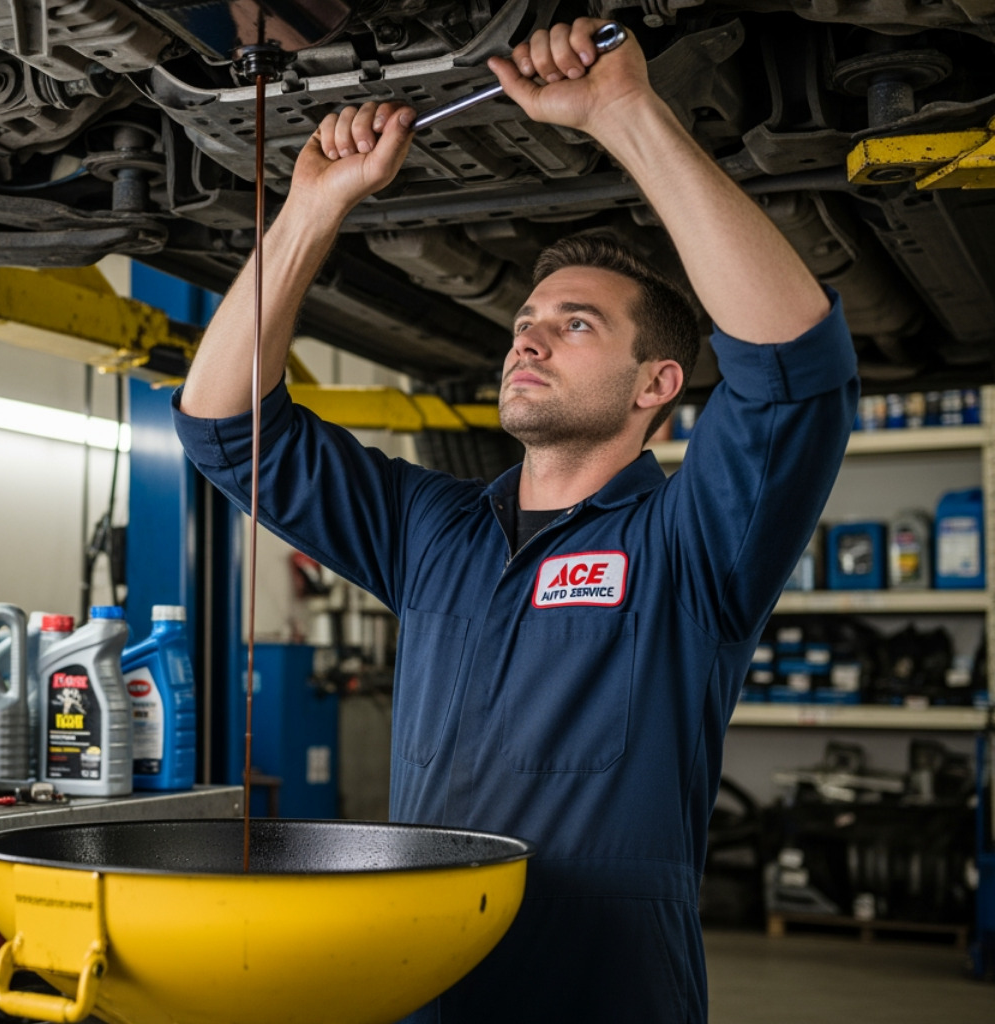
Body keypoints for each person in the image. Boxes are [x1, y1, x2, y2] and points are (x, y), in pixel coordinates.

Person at [174, 17, 859, 1023]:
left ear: (656, 384)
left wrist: (627, 114)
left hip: (602, 991)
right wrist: (314, 206)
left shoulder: (687, 546)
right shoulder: (428, 530)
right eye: (524, 324)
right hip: (425, 985)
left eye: (575, 325)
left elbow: (796, 372)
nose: (529, 340)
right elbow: (224, 428)